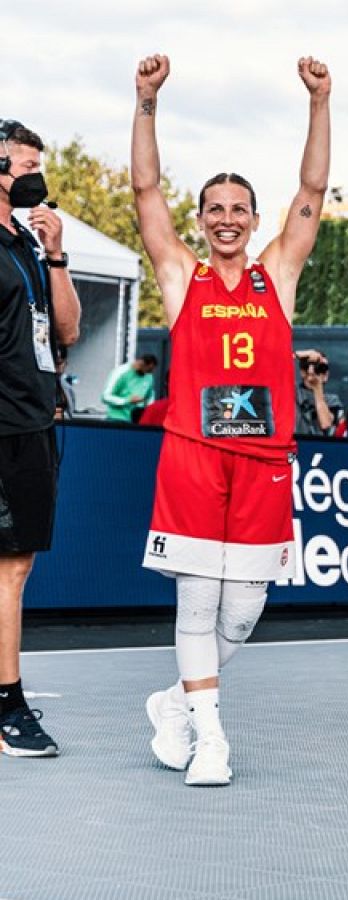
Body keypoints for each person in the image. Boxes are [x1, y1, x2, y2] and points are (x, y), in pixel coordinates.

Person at [133, 54, 330, 786]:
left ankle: (178, 705)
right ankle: (211, 739)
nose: (225, 218)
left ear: (252, 219)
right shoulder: (181, 277)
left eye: (237, 208)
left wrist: (319, 102)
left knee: (242, 614)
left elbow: (312, 188)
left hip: (262, 462)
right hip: (192, 454)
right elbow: (145, 189)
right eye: (213, 208)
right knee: (198, 601)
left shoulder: (275, 274)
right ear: (202, 219)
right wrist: (147, 102)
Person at [0, 118, 81, 757]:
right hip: (2, 422)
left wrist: (54, 254)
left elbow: (68, 329)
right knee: (7, 568)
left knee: (18, 563)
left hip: (34, 419)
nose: (37, 178)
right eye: (27, 164)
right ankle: (8, 706)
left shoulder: (26, 242)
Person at [101, 354, 158, 422]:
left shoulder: (149, 376)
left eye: (150, 371)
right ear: (141, 363)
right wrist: (127, 400)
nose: (149, 373)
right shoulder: (121, 372)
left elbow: (150, 397)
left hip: (138, 420)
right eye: (148, 370)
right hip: (117, 419)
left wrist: (148, 412)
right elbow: (105, 397)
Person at [294, 348, 337, 436]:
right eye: (319, 367)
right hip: (293, 445)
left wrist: (317, 388)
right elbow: (265, 366)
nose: (324, 372)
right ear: (302, 372)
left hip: (317, 447)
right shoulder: (291, 391)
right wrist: (297, 354)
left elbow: (326, 424)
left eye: (324, 368)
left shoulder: (332, 400)